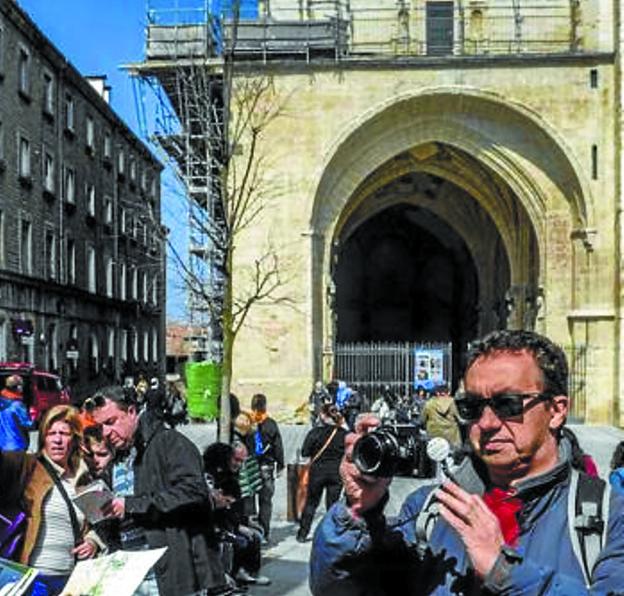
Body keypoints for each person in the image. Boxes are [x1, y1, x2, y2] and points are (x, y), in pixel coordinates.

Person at [310, 330, 624, 594]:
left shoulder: (609, 517)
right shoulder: (430, 510)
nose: (486, 423)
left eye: (507, 404)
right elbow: (339, 588)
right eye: (471, 406)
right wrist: (358, 514)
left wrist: (504, 572)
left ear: (556, 411)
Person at [88, 385, 227, 596]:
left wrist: (131, 505)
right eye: (101, 427)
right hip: (128, 572)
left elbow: (194, 492)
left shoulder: (169, 442)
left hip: (169, 574)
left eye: (111, 422)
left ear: (132, 412)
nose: (106, 432)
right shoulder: (117, 457)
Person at [21, 405, 99, 595]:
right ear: (43, 438)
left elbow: (100, 523)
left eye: (64, 433)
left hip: (71, 580)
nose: (57, 440)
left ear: (74, 439)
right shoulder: (28, 468)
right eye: (51, 433)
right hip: (34, 580)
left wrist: (92, 542)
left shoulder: (84, 477)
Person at [203, 441, 270, 587]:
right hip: (219, 525)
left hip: (229, 521)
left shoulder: (230, 477)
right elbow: (223, 509)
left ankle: (245, 572)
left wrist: (244, 521)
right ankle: (233, 574)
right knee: (245, 539)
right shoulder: (214, 478)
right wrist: (238, 525)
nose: (239, 464)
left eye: (242, 461)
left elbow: (234, 507)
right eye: (236, 460)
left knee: (256, 534)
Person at [297, 404, 347, 543]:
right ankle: (331, 534)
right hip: (336, 473)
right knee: (332, 505)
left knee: (311, 503)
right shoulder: (343, 434)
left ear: (323, 416)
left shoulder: (315, 432)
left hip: (317, 472)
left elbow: (305, 453)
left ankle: (303, 533)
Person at [247, 393, 284, 543]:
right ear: (265, 406)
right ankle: (265, 531)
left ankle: (253, 531)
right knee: (266, 501)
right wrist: (280, 464)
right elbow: (278, 446)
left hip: (250, 467)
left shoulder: (247, 423)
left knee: (249, 501)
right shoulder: (270, 424)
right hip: (266, 467)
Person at [421, 383, 462, 448]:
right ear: (448, 393)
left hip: (433, 436)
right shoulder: (453, 403)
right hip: (451, 437)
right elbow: (460, 419)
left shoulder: (429, 404)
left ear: (437, 393)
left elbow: (422, 420)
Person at [0, 375, 33, 451]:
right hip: (17, 445)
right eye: (21, 385)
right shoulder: (17, 405)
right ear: (17, 387)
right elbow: (27, 424)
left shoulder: (1, 401)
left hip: (2, 445)